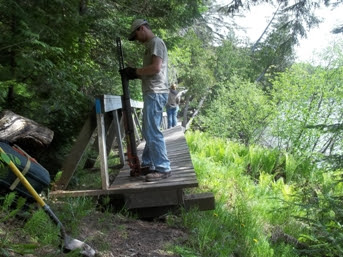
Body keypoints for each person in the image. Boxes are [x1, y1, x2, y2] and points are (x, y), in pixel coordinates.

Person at [120, 19, 171, 182]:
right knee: (149, 129)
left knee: (152, 130)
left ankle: (163, 168)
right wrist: (136, 73)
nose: (136, 40)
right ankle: (149, 164)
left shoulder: (155, 42)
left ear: (142, 28)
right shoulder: (151, 45)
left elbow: (156, 68)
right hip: (153, 91)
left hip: (156, 91)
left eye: (136, 36)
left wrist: (135, 72)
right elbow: (152, 70)